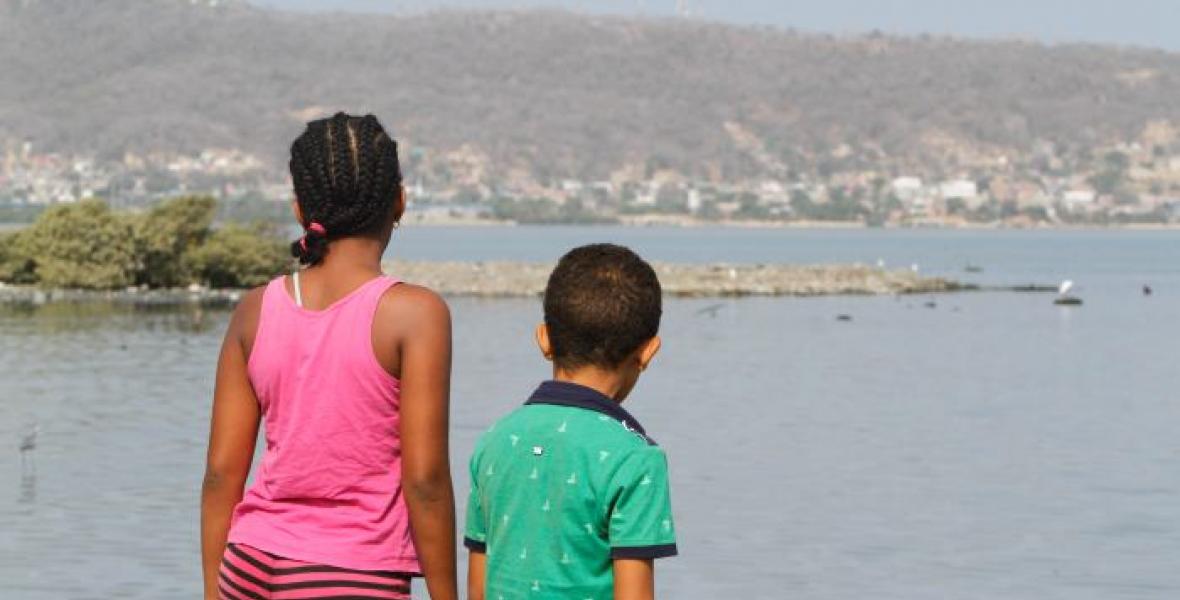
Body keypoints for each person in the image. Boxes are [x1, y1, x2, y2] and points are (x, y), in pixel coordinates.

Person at [201, 113, 457, 600]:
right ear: (399, 203)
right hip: (349, 572)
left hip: (247, 563)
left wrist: (214, 590)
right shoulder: (415, 314)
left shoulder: (254, 311)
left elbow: (220, 474)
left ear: (301, 210)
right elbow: (425, 480)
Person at [464, 244, 678, 600]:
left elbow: (478, 589)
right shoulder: (636, 459)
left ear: (544, 339)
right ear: (647, 352)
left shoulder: (495, 440)